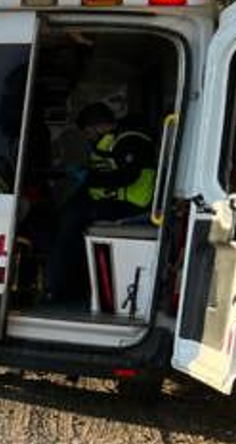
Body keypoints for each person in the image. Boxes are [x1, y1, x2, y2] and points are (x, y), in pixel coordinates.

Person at [45, 103, 157, 302]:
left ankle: (58, 287)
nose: (88, 138)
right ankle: (64, 282)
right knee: (67, 214)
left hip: (131, 204)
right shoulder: (114, 139)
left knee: (71, 222)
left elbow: (127, 176)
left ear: (95, 127)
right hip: (112, 200)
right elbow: (106, 171)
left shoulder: (130, 140)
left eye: (87, 133)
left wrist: (88, 178)